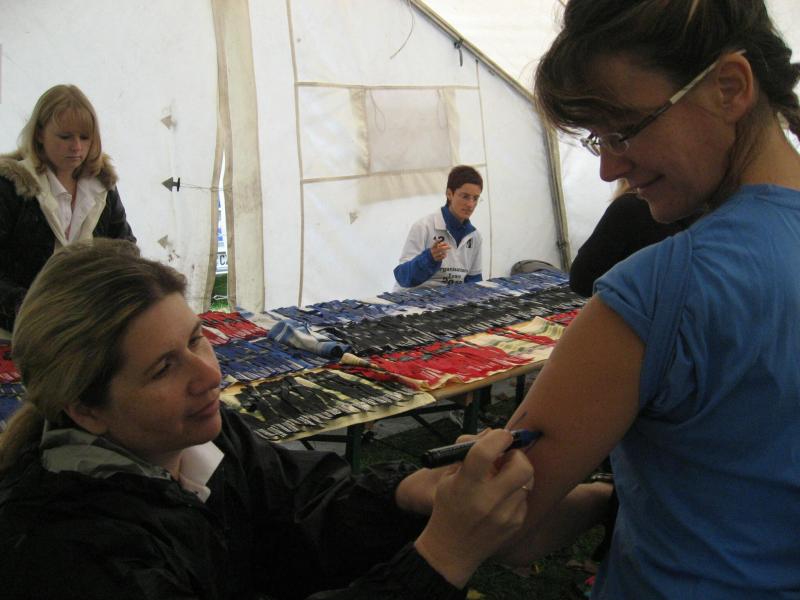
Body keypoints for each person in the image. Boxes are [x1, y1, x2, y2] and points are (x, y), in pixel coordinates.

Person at [0, 239, 535, 600]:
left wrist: (404, 492)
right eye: (163, 368)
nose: (208, 375)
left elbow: (297, 511)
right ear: (86, 409)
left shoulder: (203, 441)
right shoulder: (69, 555)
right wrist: (439, 559)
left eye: (195, 339)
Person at [500, 1, 800, 598]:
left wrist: (591, 499)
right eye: (598, 140)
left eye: (624, 130)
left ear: (729, 88)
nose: (610, 166)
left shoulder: (661, 290)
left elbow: (505, 526)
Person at [0, 84, 135, 333]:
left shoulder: (103, 186)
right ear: (39, 134)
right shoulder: (10, 186)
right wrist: (25, 306)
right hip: (17, 330)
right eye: (65, 137)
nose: (77, 147)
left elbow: (125, 249)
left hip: (88, 324)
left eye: (85, 137)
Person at [568, 180, 689, 297]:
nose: (606, 174)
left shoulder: (630, 208)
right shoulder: (690, 209)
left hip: (639, 307)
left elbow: (581, 280)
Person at [393, 165, 483, 289]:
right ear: (449, 194)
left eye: (475, 198)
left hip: (450, 299)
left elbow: (473, 281)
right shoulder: (423, 227)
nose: (470, 204)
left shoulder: (475, 236)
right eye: (465, 196)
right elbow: (403, 277)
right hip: (411, 299)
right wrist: (429, 258)